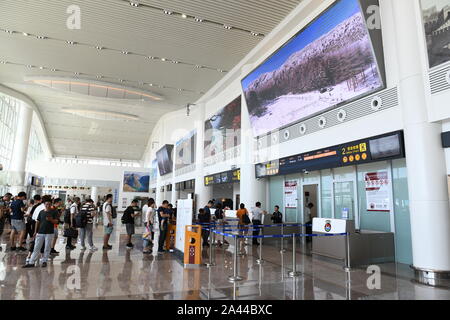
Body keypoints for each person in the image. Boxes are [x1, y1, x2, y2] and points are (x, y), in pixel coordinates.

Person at [22, 196, 59, 268]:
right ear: (44, 204)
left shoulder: (54, 212)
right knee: (36, 247)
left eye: (49, 204)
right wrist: (35, 231)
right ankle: (31, 262)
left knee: (47, 247)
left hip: (49, 232)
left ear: (51, 204)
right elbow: (37, 222)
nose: (47, 206)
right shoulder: (41, 212)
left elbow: (57, 221)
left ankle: (44, 261)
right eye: (46, 204)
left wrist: (51, 220)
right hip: (40, 232)